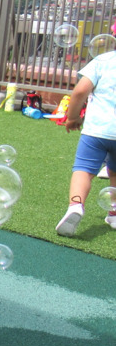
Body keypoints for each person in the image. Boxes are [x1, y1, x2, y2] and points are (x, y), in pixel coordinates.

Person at [55, 19, 116, 237]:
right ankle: (114, 214)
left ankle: (75, 205)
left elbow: (80, 91)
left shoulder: (102, 60)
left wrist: (72, 118)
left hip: (96, 131)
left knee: (84, 170)